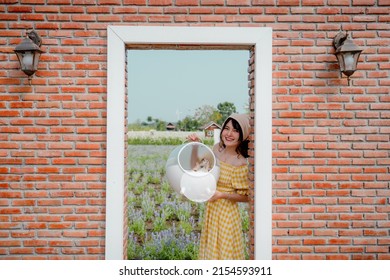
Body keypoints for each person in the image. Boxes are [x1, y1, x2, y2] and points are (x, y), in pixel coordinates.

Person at [187, 113, 250, 260]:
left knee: (224, 253)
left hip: (227, 214)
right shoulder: (216, 149)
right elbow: (196, 168)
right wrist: (195, 146)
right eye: (226, 128)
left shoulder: (240, 161)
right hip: (212, 210)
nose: (229, 134)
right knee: (211, 252)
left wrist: (221, 195)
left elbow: (246, 197)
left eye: (235, 130)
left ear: (243, 135)